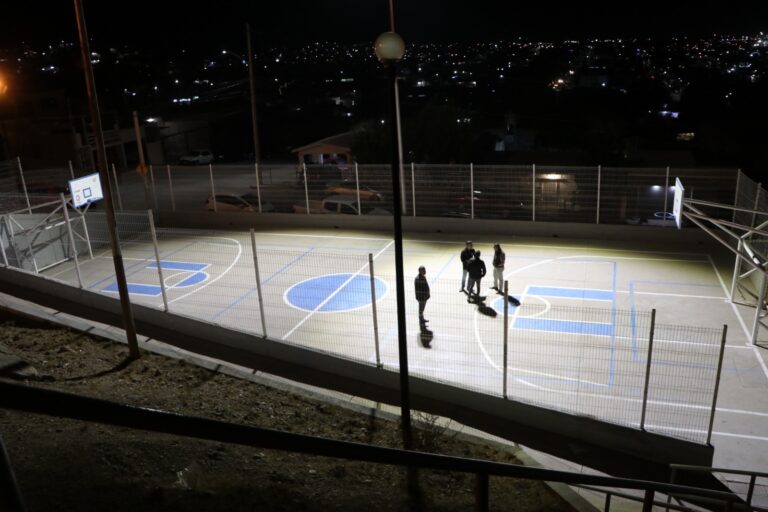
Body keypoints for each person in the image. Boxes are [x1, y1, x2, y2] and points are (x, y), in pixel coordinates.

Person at [414, 265, 430, 332]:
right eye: (424, 270)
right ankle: (421, 321)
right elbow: (419, 289)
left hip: (424, 296)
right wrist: (423, 295)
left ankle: (422, 319)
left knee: (422, 309)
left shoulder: (423, 277)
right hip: (422, 297)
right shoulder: (418, 279)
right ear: (421, 271)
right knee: (421, 309)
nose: (425, 271)